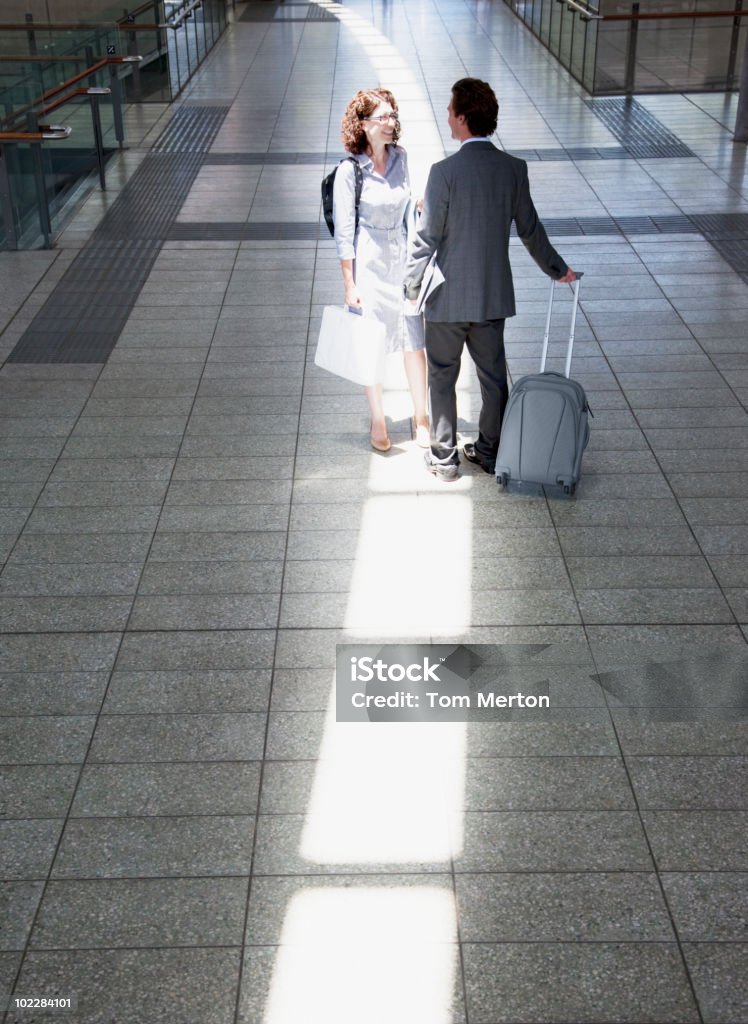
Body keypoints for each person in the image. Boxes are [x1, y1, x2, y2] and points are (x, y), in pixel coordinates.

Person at [404, 77, 576, 481]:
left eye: (450, 110)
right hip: (491, 298)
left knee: (442, 375)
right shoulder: (513, 169)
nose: (447, 116)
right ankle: (489, 450)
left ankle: (444, 458)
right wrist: (558, 269)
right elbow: (531, 229)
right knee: (493, 377)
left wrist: (410, 285)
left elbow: (426, 237)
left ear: (463, 118)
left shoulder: (443, 172)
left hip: (446, 299)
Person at [333, 88, 429, 453]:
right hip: (369, 262)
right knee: (372, 345)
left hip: (402, 258)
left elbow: (408, 205)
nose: (391, 123)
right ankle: (378, 419)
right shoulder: (349, 171)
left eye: (393, 116)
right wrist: (349, 283)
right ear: (363, 124)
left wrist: (419, 205)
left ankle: (421, 417)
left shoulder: (401, 158)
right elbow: (344, 233)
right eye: (383, 117)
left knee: (413, 342)